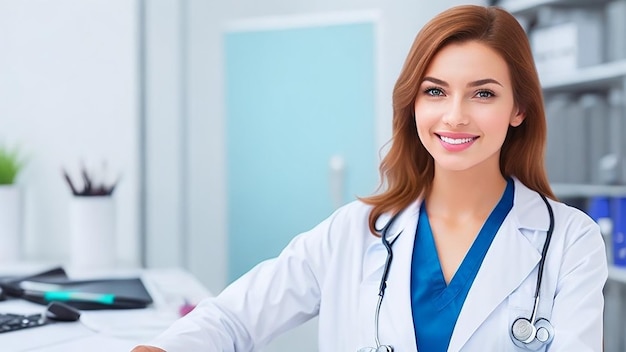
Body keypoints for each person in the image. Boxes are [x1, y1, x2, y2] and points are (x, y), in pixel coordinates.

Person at [132, 4, 607, 352]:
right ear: (413, 104)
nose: (455, 115)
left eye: (483, 93)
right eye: (435, 91)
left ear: (519, 108)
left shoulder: (569, 241)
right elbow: (232, 318)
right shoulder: (354, 231)